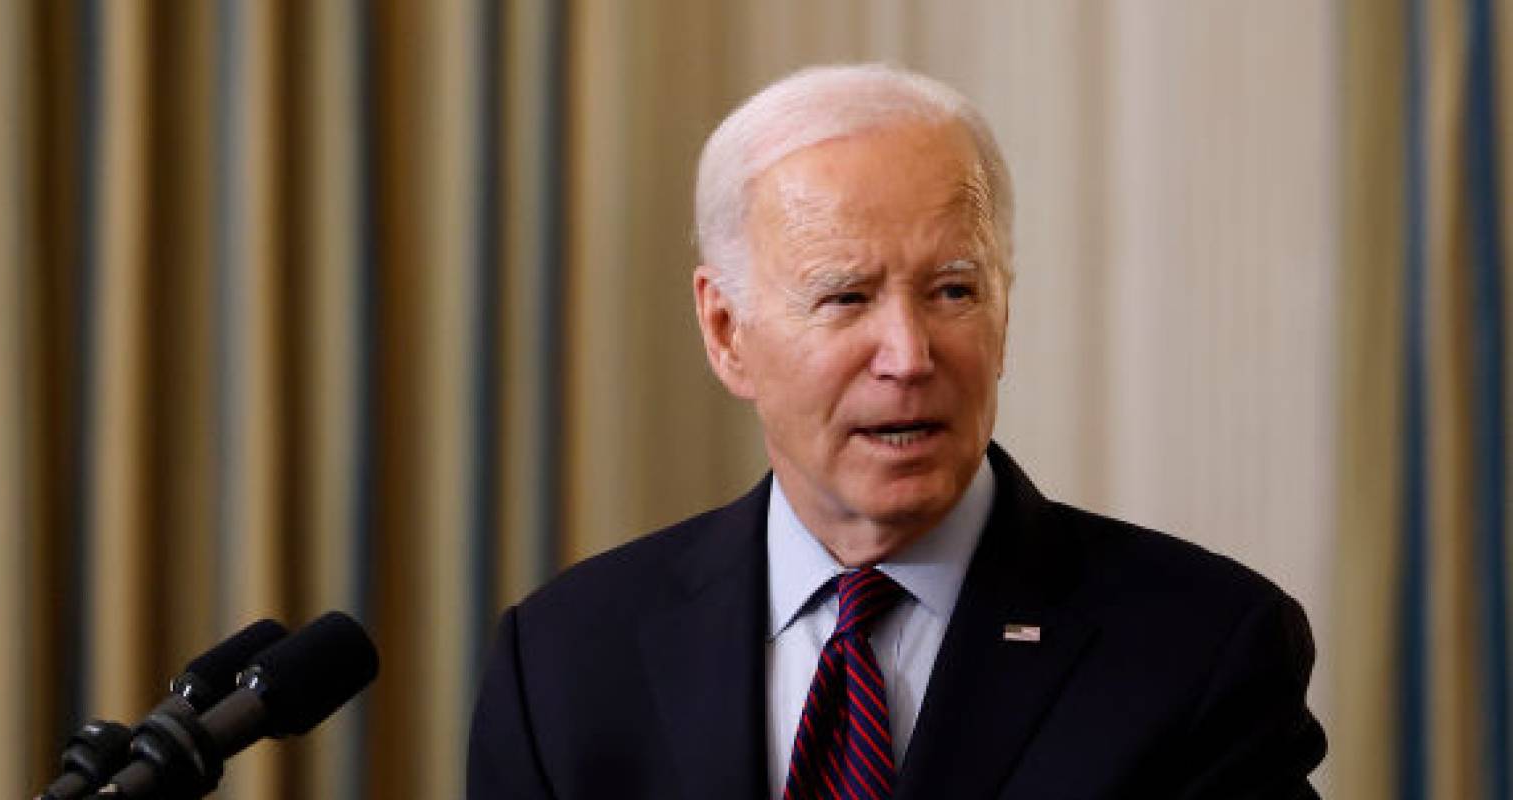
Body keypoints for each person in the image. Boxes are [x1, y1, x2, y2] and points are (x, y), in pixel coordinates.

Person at [468, 63, 1326, 799]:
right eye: (846, 297)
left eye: (954, 291)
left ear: (1003, 311)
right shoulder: (563, 665)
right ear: (726, 331)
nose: (910, 357)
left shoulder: (1202, 649)